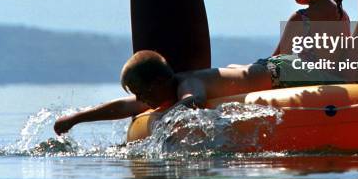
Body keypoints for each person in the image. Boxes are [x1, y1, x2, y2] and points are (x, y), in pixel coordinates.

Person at [54, 50, 275, 135]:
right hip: (249, 69)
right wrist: (75, 119)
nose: (140, 99)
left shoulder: (187, 82)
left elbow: (194, 99)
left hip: (276, 72)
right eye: (136, 93)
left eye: (141, 92)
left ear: (160, 82)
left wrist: (164, 118)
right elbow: (123, 105)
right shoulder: (160, 91)